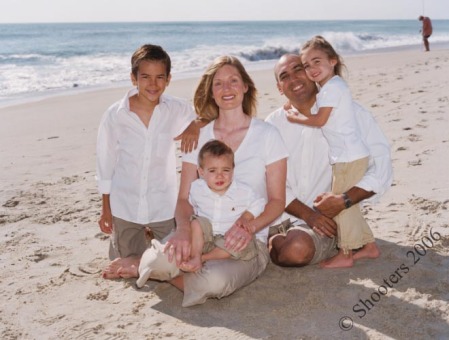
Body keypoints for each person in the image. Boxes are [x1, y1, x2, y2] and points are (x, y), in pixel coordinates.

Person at [137, 56, 288, 307]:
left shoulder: (268, 135)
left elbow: (277, 201)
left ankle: (185, 274)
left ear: (245, 87)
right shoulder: (196, 136)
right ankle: (172, 266)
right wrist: (184, 230)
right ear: (211, 92)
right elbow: (184, 198)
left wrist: (250, 227)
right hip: (201, 233)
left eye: (233, 81)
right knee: (154, 262)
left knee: (215, 282)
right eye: (218, 84)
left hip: (245, 242)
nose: (226, 89)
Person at [266, 53, 393, 269]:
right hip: (273, 215)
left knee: (295, 251)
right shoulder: (274, 123)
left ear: (311, 72)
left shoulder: (351, 114)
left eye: (298, 69)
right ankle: (270, 241)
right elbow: (267, 179)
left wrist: (344, 200)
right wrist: (305, 214)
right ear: (280, 87)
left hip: (323, 221)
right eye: (284, 76)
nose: (294, 79)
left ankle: (274, 244)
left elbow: (382, 168)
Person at [96, 44, 204, 279]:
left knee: (175, 258)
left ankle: (141, 254)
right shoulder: (115, 115)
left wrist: (195, 124)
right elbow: (105, 162)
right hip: (125, 204)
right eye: (145, 77)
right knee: (122, 255)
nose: (153, 85)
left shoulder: (176, 109)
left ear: (168, 79)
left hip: (162, 203)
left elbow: (207, 114)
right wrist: (106, 208)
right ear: (133, 78)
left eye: (159, 78)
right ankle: (134, 251)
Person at [284, 36, 377, 268]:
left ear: (333, 60)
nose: (312, 69)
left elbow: (320, 119)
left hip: (349, 157)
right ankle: (369, 246)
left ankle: (345, 254)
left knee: (340, 205)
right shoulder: (329, 88)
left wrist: (296, 117)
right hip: (346, 156)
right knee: (347, 206)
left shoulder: (333, 88)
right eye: (307, 65)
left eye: (317, 62)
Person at [180, 139, 265, 272]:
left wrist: (245, 217)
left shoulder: (243, 191)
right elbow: (190, 206)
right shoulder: (197, 188)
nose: (220, 176)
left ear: (233, 170)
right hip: (206, 237)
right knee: (196, 223)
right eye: (212, 171)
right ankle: (196, 255)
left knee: (243, 243)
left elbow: (259, 203)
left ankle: (203, 258)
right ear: (201, 172)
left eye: (225, 170)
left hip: (229, 237)